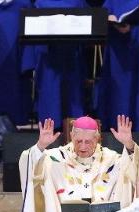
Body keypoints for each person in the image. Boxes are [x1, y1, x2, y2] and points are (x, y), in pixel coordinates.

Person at [18, 115, 139, 212]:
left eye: (88, 142)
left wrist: (129, 145)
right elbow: (30, 165)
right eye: (78, 141)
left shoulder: (112, 160)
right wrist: (40, 146)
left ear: (97, 138)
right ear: (71, 136)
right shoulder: (55, 159)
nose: (82, 147)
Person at [24, 0, 89, 130]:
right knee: (50, 92)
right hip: (49, 55)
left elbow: (90, 21)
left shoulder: (78, 2)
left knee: (71, 94)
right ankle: (52, 132)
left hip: (71, 54)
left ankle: (74, 131)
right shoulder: (40, 3)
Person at [97, 0, 139, 131]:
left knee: (137, 92)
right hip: (116, 52)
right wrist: (109, 20)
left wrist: (132, 29)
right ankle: (113, 127)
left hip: (137, 54)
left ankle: (137, 130)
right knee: (116, 92)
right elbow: (100, 18)